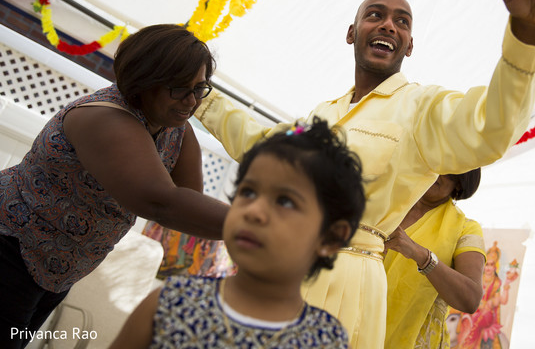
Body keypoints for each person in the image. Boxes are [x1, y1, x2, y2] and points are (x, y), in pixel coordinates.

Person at [192, 0, 535, 348]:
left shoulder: (422, 108)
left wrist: (526, 35)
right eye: (376, 15)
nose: (389, 25)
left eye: (402, 22)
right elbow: (262, 145)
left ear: (410, 45)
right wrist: (201, 97)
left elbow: (492, 128)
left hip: (346, 278)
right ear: (352, 33)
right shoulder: (324, 113)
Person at [0, 24, 230, 349]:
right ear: (145, 78)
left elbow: (187, 202)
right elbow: (161, 204)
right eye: (180, 88)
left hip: (57, 270)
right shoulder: (105, 118)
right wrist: (265, 228)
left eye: (200, 88)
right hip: (12, 247)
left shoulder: (174, 127)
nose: (191, 101)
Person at [109, 118, 366, 348]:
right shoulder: (172, 302)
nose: (253, 211)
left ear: (331, 237)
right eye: (248, 192)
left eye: (285, 201)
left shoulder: (324, 340)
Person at [383, 168, 485, 348]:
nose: (437, 170)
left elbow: (471, 299)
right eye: (432, 161)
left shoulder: (465, 229)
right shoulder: (386, 207)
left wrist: (421, 256)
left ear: (460, 182)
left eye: (448, 168)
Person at [460, 241, 518, 349]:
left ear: (495, 267)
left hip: (487, 313)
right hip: (474, 308)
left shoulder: (497, 282)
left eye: (491, 265)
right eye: (486, 264)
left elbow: (503, 300)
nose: (488, 268)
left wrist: (507, 285)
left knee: (476, 319)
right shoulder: (478, 278)